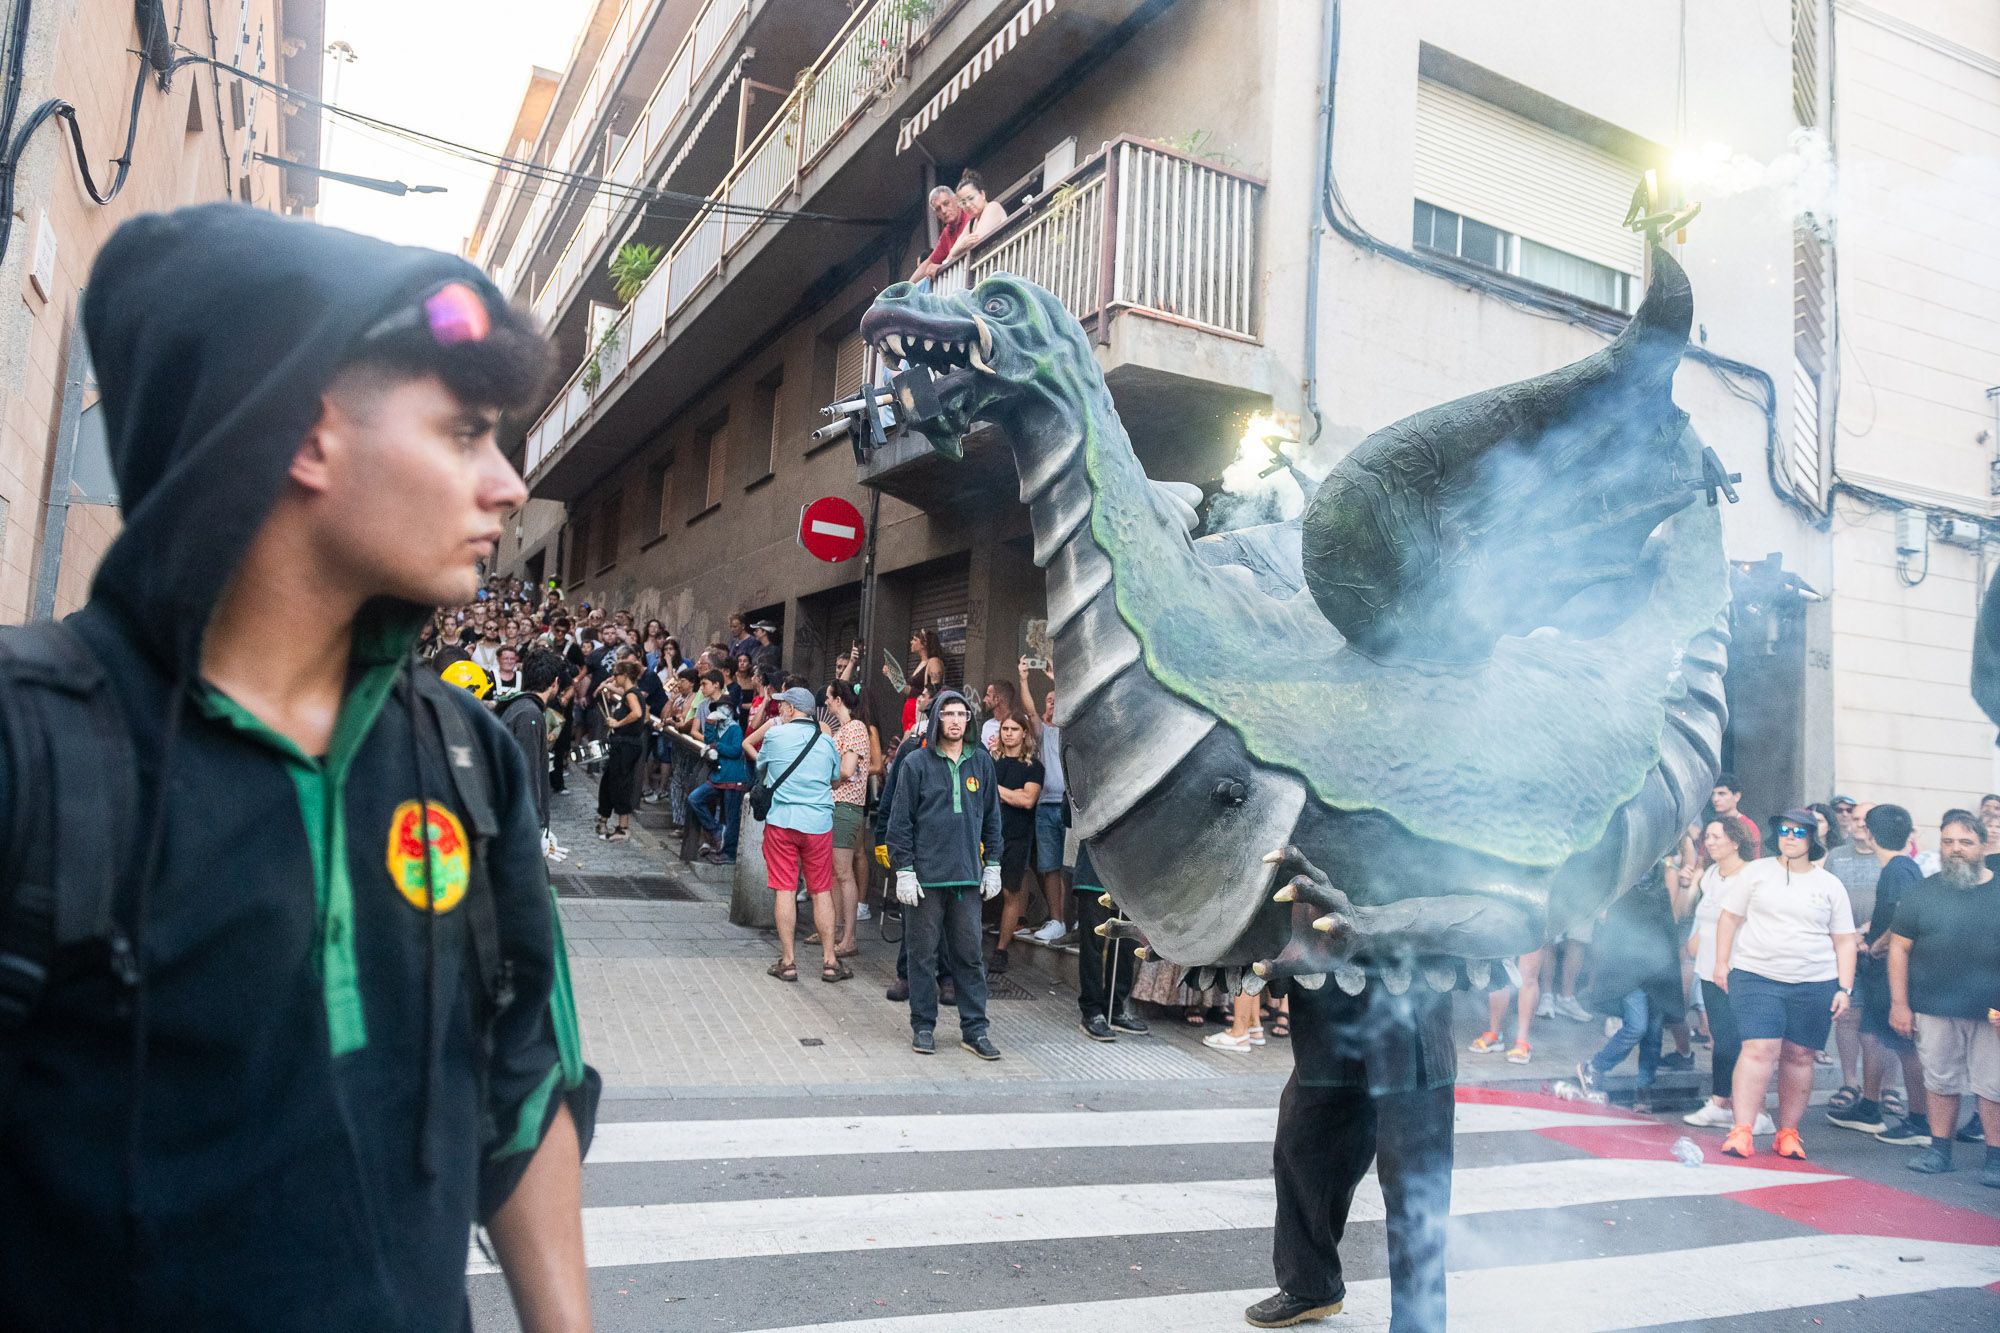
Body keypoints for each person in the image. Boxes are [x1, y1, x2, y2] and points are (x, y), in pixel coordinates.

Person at [0, 205, 594, 1328]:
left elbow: (524, 1087)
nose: (509, 485)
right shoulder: (33, 747)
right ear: (308, 435)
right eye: (466, 432)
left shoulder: (470, 760)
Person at [1248, 849, 1454, 1332]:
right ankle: (1308, 1284)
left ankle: (1419, 1321)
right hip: (1326, 984)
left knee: (1412, 1167)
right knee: (1305, 1134)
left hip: (1410, 987)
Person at [1712, 809, 1858, 1160]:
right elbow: (1729, 918)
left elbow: (1845, 940)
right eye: (1784, 830)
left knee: (1800, 1055)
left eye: (1798, 832)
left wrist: (1845, 987)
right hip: (1756, 975)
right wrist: (1720, 963)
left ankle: (1788, 1133)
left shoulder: (1829, 884)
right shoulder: (1756, 873)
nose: (1790, 836)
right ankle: (1741, 1130)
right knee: (1758, 1049)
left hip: (1815, 981)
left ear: (1811, 839)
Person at [887, 690, 1004, 1059]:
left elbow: (992, 820)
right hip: (925, 880)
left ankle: (975, 1030)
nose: (955, 720)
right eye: (948, 714)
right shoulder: (916, 763)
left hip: (967, 879)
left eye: (962, 714)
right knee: (921, 957)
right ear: (937, 718)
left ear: (969, 721)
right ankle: (923, 1026)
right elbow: (899, 823)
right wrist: (903, 870)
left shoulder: (981, 763)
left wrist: (994, 864)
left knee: (969, 956)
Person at [1887, 810, 2000, 1184]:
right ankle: (1939, 1150)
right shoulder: (1923, 892)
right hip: (1934, 1007)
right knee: (1939, 1080)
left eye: (1965, 842)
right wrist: (1900, 1004)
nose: (1956, 849)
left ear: (1983, 846)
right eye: (1949, 841)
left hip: (1992, 1011)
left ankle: (1995, 1159)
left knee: (1993, 1085)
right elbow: (1899, 950)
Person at [1682, 819, 1777, 1135]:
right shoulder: (1710, 874)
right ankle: (1722, 1103)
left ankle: (1755, 1110)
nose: (1708, 842)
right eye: (1706, 836)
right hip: (1709, 968)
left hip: (1741, 967)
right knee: (1722, 1039)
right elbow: (1699, 915)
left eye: (1716, 837)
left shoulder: (1753, 875)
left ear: (1735, 842)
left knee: (1743, 1041)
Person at [1846, 804, 1933, 1146]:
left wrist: (1877, 944)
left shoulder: (1898, 869)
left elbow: (1904, 915)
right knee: (1873, 1036)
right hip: (1883, 974)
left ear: (1869, 833)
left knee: (1904, 1045)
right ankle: (1869, 1107)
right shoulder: (1904, 867)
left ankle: (1920, 1120)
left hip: (1893, 974)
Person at [753, 687, 847, 984]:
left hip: (781, 821)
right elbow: (835, 777)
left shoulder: (776, 736)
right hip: (818, 823)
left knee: (785, 889)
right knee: (820, 889)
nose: (779, 710)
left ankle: (789, 962)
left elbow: (762, 766)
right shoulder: (827, 741)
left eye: (782, 706)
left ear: (792, 709)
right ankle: (830, 962)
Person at [1576, 864, 1685, 1113]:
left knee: (1654, 1035)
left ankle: (1643, 1090)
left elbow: (1671, 925)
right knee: (1637, 1027)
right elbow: (1613, 931)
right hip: (1628, 971)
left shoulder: (1662, 882)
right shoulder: (1624, 882)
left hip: (1657, 971)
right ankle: (1595, 1066)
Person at [1822, 807, 1887, 1127]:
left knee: (1883, 1023)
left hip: (1880, 950)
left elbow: (1896, 903)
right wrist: (1847, 937)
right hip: (1844, 949)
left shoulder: (1888, 857)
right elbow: (1827, 899)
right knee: (1847, 1017)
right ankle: (1850, 1083)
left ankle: (1887, 1089)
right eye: (1857, 819)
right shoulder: (1836, 856)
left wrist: (1868, 933)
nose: (1860, 825)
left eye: (1866, 821)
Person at [987, 714, 1045, 974]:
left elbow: (1027, 801)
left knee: (1011, 893)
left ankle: (1001, 950)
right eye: (1005, 729)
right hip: (987, 836)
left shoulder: (1033, 767)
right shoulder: (990, 761)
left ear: (1024, 733)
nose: (1008, 733)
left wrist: (995, 790)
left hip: (1017, 837)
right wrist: (1013, 794)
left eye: (1014, 729)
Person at [1020, 658, 1071, 947]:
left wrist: (1057, 681)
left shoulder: (1070, 729)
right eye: (1048, 701)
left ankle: (1071, 920)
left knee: (1071, 867)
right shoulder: (1042, 733)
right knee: (1050, 865)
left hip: (1070, 807)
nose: (1052, 704)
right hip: (1046, 805)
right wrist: (1025, 680)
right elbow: (1029, 711)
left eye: (1056, 700)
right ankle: (1057, 920)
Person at [1074, 844, 1146, 1040]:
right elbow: (1070, 817)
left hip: (1130, 874)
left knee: (1127, 943)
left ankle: (1115, 1007)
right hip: (1094, 871)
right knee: (1093, 943)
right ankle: (1091, 1011)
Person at [823, 681, 870, 957]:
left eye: (829, 697)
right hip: (837, 804)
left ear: (838, 699)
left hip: (846, 805)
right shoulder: (847, 729)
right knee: (835, 873)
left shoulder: (855, 728)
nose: (826, 702)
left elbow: (847, 769)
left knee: (843, 872)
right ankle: (840, 930)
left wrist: (824, 778)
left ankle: (849, 936)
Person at [595, 659, 648, 841]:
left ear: (625, 676)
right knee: (611, 780)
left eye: (616, 674)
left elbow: (638, 714)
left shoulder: (631, 694)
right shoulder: (632, 693)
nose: (614, 678)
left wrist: (618, 723)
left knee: (621, 783)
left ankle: (623, 827)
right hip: (624, 743)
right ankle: (606, 818)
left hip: (626, 744)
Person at [909, 185, 969, 284]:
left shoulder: (969, 213)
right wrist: (906, 286)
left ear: (956, 200)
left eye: (946, 203)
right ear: (937, 215)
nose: (944, 211)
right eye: (938, 209)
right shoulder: (947, 233)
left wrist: (942, 266)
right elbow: (929, 262)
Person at [945, 169, 1008, 262]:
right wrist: (958, 248)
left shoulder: (993, 207)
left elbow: (978, 239)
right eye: (963, 202)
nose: (968, 205)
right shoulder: (972, 223)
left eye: (971, 198)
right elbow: (950, 255)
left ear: (982, 194)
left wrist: (959, 249)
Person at [1706, 773, 1762, 860]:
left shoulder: (1749, 826)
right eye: (1713, 794)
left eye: (1722, 794)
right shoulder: (1710, 826)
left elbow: (1753, 863)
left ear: (1736, 796)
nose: (1715, 799)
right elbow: (1701, 861)